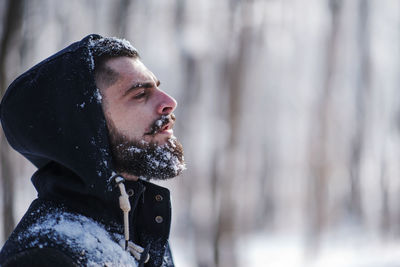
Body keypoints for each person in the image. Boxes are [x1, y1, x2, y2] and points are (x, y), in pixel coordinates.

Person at [0, 34, 185, 267]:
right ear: (84, 125)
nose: (169, 102)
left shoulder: (140, 229)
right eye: (139, 94)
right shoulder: (45, 256)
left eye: (158, 88)